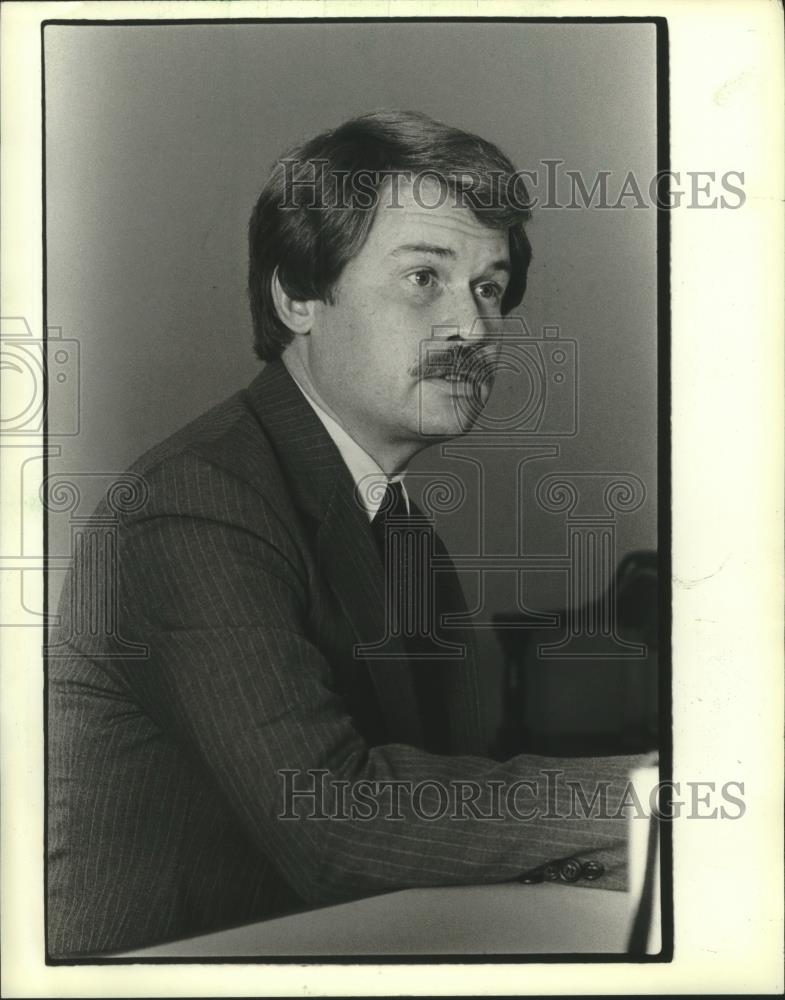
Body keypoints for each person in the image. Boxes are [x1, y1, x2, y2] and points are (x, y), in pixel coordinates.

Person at [47, 110, 647, 957]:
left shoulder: (398, 529)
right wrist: (649, 799)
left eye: (488, 285)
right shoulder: (190, 507)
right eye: (423, 279)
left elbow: (454, 805)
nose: (472, 328)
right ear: (296, 295)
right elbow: (332, 820)